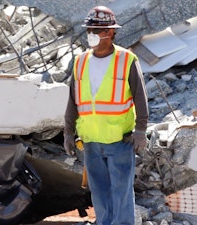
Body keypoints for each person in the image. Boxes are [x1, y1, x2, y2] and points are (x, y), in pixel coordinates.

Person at [63, 6, 149, 225]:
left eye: (97, 29)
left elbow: (140, 97)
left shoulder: (126, 60)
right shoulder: (80, 61)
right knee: (100, 194)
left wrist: (141, 131)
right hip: (90, 140)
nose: (91, 34)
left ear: (111, 33)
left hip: (119, 140)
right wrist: (68, 132)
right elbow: (73, 101)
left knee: (121, 193)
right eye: (90, 29)